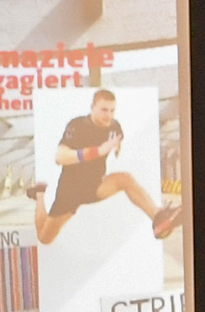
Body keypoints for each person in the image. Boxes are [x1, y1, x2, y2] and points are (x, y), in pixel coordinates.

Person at [30, 86, 183, 244]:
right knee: (45, 238)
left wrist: (118, 147)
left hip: (95, 185)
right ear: (93, 108)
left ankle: (158, 217)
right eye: (104, 110)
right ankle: (39, 194)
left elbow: (118, 141)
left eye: (112, 110)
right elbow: (60, 157)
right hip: (71, 191)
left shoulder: (115, 127)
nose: (108, 115)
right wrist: (98, 151)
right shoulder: (78, 125)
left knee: (125, 179)